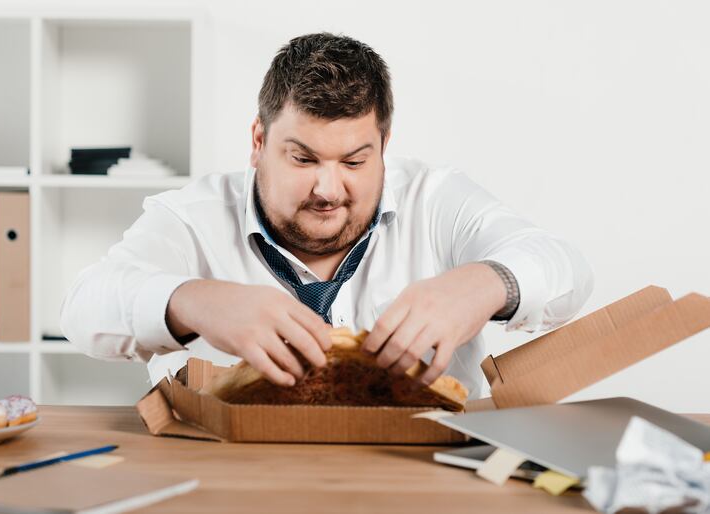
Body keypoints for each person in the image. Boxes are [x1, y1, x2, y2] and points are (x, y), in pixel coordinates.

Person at [60, 32, 594, 399]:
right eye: (302, 158)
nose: (327, 189)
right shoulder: (191, 216)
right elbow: (84, 309)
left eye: (355, 161)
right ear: (258, 140)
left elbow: (567, 269)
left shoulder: (436, 200)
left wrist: (484, 285)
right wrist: (193, 301)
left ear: (384, 146)